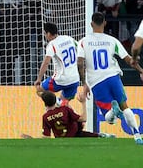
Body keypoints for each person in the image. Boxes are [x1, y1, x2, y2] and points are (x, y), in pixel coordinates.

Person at [77, 12, 143, 145]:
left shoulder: (83, 42)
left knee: (109, 119)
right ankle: (137, 135)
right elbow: (129, 60)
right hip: (113, 76)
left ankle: (112, 111)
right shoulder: (112, 40)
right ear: (105, 23)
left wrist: (84, 83)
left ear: (91, 24)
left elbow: (79, 63)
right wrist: (141, 70)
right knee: (125, 106)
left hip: (96, 82)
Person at [34, 22, 80, 107]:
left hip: (60, 80)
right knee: (64, 105)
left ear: (48, 33)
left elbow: (46, 62)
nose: (45, 36)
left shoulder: (52, 45)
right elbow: (80, 48)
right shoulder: (68, 38)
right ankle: (75, 116)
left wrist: (39, 79)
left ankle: (55, 102)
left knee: (38, 90)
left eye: (45, 33)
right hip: (75, 80)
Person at [41, 91, 115, 138]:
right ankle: (101, 136)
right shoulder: (64, 109)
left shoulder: (46, 117)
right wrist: (83, 102)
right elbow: (83, 119)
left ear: (45, 103)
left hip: (62, 140)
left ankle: (100, 135)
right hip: (76, 133)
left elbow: (46, 137)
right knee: (77, 121)